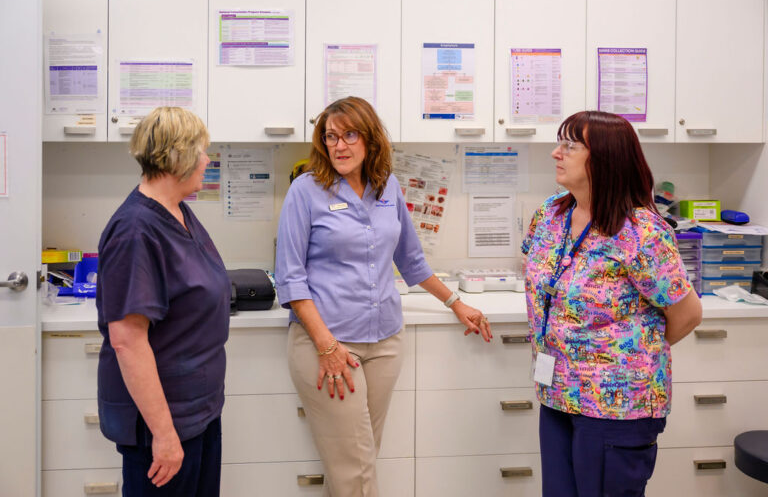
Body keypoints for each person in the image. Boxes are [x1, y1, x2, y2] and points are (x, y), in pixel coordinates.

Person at [275, 96, 492, 497]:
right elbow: (291, 279)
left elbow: (410, 260)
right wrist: (327, 347)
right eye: (330, 137)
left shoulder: (387, 186)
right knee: (355, 470)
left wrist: (455, 302)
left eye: (349, 135)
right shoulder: (306, 191)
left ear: (370, 138)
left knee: (357, 465)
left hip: (385, 342)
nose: (339, 146)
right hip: (330, 344)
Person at [522, 110, 702, 496]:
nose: (556, 153)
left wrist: (632, 355)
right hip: (556, 393)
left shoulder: (641, 232)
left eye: (569, 145)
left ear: (604, 157)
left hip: (616, 405)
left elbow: (687, 314)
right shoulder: (551, 214)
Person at [96, 107, 230, 496]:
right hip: (165, 424)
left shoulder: (179, 211)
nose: (207, 160)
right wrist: (165, 434)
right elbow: (128, 341)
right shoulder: (135, 231)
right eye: (202, 151)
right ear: (178, 157)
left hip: (199, 412)